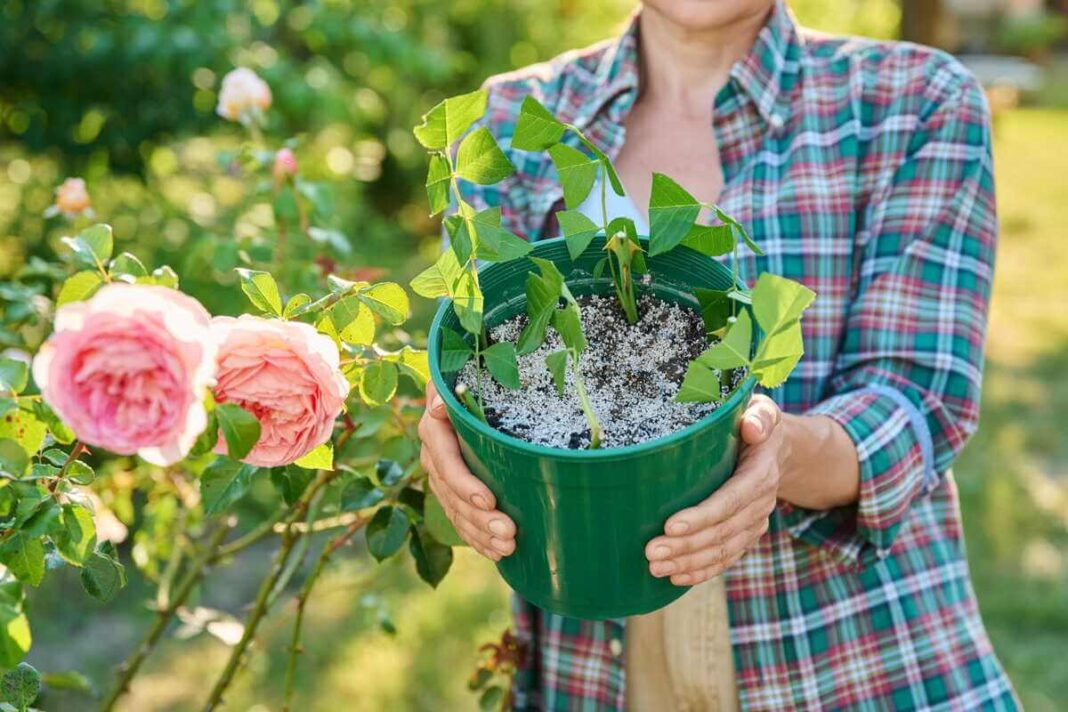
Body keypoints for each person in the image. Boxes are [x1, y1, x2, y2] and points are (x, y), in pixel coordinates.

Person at [417, 1, 1018, 709]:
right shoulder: (511, 119)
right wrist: (453, 439)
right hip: (597, 656)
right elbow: (477, 352)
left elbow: (917, 404)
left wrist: (776, 453)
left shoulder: (910, 102)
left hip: (844, 652)